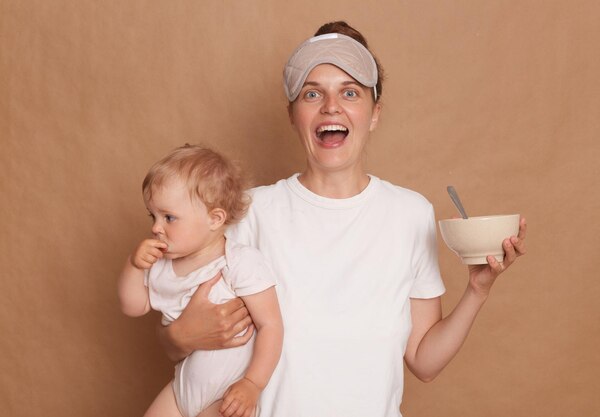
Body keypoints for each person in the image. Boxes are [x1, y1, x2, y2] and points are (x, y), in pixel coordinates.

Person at [158, 22, 527, 417]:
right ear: (292, 115)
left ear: (374, 114)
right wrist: (178, 335)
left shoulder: (411, 214)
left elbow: (424, 361)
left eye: (350, 92)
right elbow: (183, 338)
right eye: (312, 93)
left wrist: (477, 290)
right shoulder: (248, 212)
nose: (331, 106)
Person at [118, 144, 283, 417]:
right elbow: (132, 306)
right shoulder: (162, 266)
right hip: (182, 391)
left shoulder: (239, 262)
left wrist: (253, 384)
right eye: (154, 216)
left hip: (228, 396)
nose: (156, 227)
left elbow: (271, 325)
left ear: (214, 219)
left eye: (169, 217)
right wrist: (134, 266)